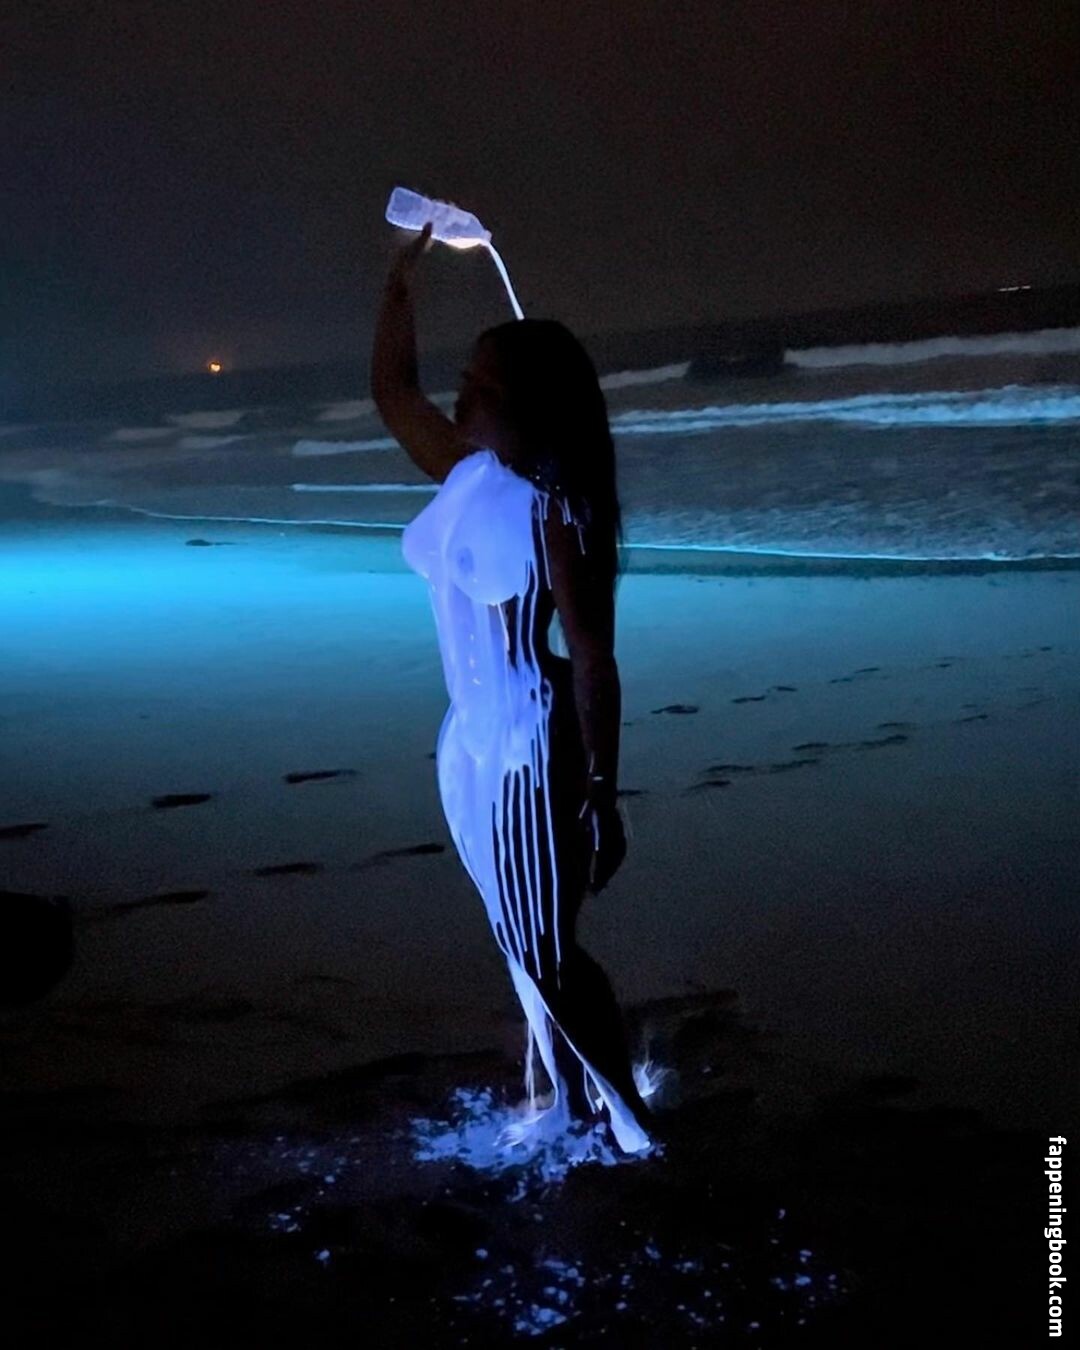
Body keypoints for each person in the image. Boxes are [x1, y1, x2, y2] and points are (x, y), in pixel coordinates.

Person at [372, 221, 654, 1154]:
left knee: (546, 946)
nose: (460, 397)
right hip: (470, 742)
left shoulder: (555, 513)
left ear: (530, 407)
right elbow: (393, 393)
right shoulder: (466, 472)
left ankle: (634, 1125)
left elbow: (594, 657)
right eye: (466, 379)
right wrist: (400, 285)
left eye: (483, 389)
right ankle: (572, 1105)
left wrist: (603, 793)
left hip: (536, 738)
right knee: (520, 938)